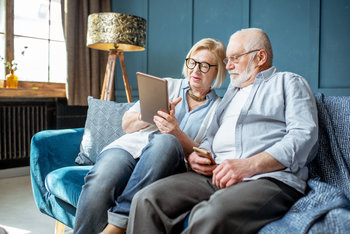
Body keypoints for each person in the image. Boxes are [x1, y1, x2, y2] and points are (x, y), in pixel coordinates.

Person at [127, 28, 319, 234]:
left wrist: (248, 165)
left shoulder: (288, 82)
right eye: (227, 59)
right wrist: (198, 157)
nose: (228, 66)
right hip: (216, 175)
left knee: (210, 214)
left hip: (267, 179)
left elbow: (304, 137)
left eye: (234, 58)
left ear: (260, 57)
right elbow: (212, 137)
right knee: (146, 199)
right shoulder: (231, 94)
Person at [73, 38, 227, 234]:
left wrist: (175, 132)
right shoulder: (166, 85)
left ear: (217, 72)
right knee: (102, 178)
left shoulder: (218, 109)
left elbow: (203, 153)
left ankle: (117, 225)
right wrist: (151, 114)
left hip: (167, 162)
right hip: (129, 149)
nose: (196, 70)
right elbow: (127, 124)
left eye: (205, 66)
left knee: (166, 141)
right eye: (193, 62)